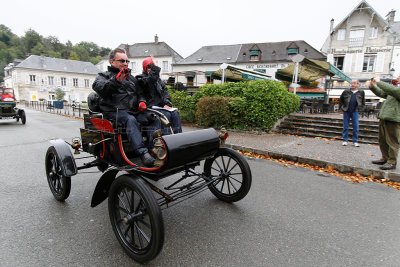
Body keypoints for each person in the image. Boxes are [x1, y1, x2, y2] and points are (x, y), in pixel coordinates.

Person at [92, 48, 160, 167]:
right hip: (113, 112)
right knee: (130, 119)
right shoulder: (103, 76)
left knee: (153, 118)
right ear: (112, 62)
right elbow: (101, 89)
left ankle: (152, 150)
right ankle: (142, 153)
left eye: (127, 61)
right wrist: (116, 81)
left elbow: (141, 92)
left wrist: (141, 102)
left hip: (132, 111)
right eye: (122, 61)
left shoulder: (131, 78)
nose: (125, 63)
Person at [136, 57, 182, 135]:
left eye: (153, 66)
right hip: (148, 107)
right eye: (150, 67)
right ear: (145, 68)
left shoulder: (158, 80)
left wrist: (166, 103)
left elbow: (165, 92)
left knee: (175, 113)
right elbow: (149, 82)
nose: (152, 69)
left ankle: (179, 138)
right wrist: (155, 70)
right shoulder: (140, 78)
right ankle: (167, 141)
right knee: (166, 114)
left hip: (160, 107)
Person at [369, 75, 400, 170]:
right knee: (382, 140)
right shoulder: (395, 88)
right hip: (385, 117)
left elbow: (393, 91)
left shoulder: (396, 90)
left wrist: (379, 82)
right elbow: (382, 93)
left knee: (392, 142)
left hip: (394, 119)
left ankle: (392, 162)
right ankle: (385, 158)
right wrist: (372, 86)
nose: (398, 77)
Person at [339, 79, 365, 147]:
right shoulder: (346, 91)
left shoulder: (361, 92)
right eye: (352, 83)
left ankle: (355, 141)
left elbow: (362, 101)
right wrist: (342, 107)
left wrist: (361, 109)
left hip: (355, 110)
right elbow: (341, 100)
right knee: (345, 126)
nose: (352, 84)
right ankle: (345, 140)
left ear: (357, 84)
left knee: (356, 126)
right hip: (346, 110)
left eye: (354, 83)